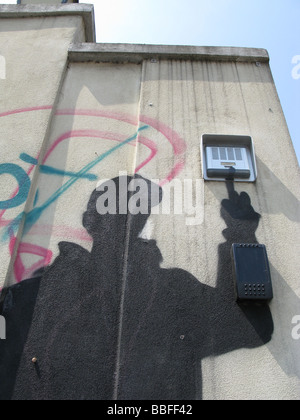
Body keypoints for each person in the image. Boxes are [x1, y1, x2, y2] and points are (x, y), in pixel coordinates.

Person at [0, 176, 273, 400]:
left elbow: (248, 328)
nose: (128, 220)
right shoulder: (33, 296)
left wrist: (241, 236)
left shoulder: (174, 291)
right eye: (113, 210)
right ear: (89, 221)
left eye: (138, 211)